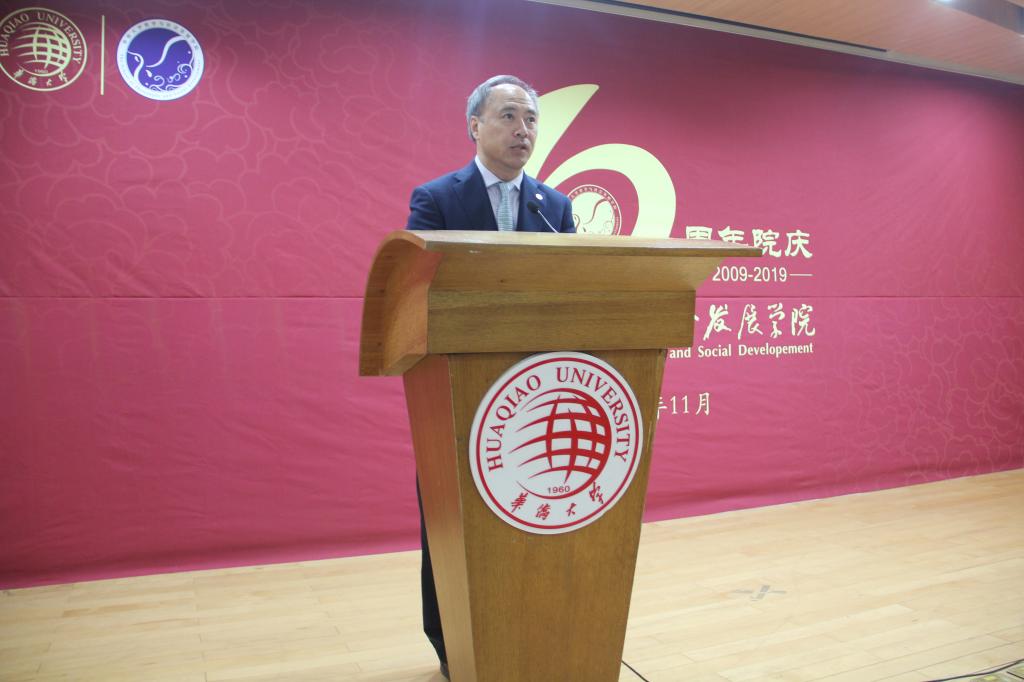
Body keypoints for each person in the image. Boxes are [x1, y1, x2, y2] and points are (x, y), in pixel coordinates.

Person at [405, 74, 576, 679]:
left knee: (532, 512)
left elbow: (570, 292)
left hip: (538, 388)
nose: (522, 129)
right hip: (459, 389)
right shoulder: (435, 199)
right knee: (454, 521)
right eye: (508, 116)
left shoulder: (554, 207)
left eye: (530, 119)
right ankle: (453, 644)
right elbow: (421, 294)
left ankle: (530, 633)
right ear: (474, 125)